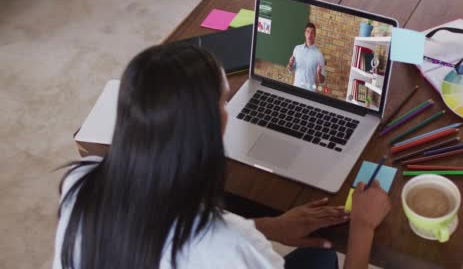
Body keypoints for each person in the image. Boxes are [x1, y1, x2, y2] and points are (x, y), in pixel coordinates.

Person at [53, 43, 391, 269]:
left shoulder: (79, 183)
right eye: (224, 101)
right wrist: (362, 227)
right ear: (208, 126)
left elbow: (157, 230)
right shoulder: (228, 249)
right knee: (323, 259)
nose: (228, 108)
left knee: (317, 258)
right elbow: (217, 245)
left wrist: (271, 226)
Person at [286, 23, 326, 92]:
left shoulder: (319, 55)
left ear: (315, 35)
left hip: (309, 93)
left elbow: (322, 81)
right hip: (296, 89)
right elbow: (290, 70)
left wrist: (319, 73)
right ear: (305, 33)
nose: (309, 35)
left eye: (312, 32)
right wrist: (290, 64)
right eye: (308, 31)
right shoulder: (297, 49)